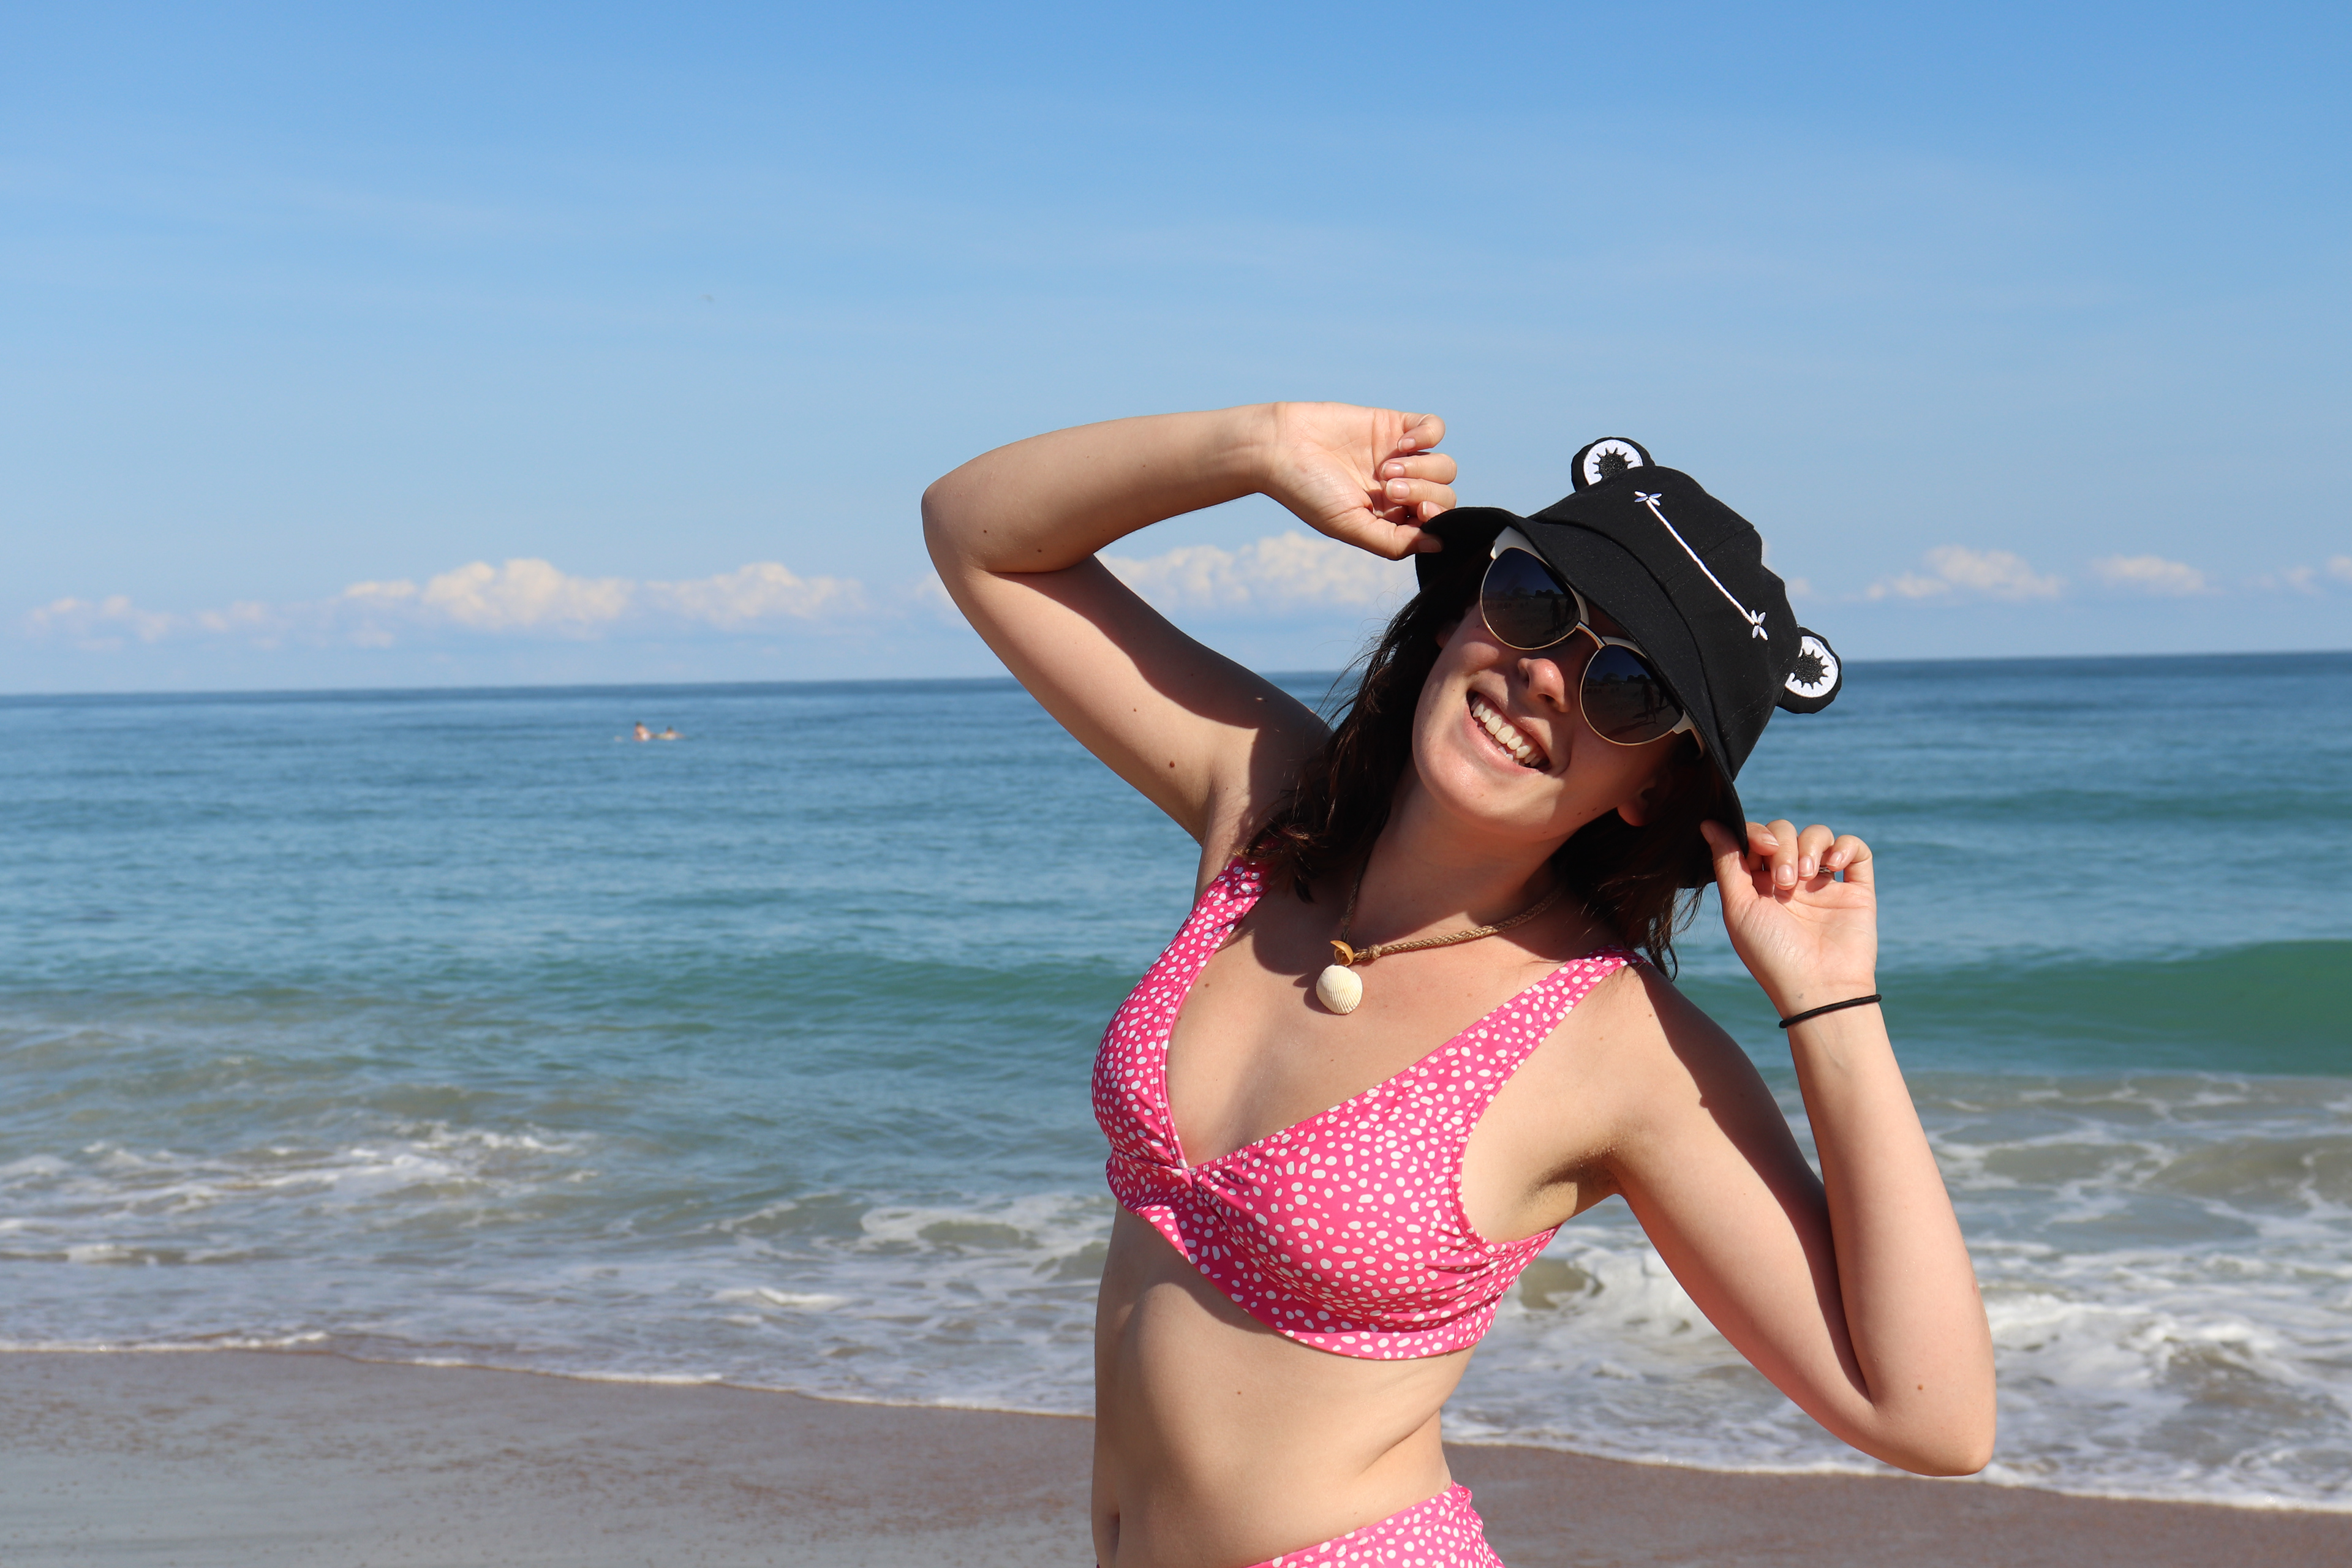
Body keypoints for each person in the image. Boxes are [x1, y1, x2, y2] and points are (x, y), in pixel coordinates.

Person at [922, 404, 1993, 1568]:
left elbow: (1932, 1418)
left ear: (1650, 788)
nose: (1546, 678)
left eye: (1628, 689)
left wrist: (1831, 1005)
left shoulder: (1613, 1045)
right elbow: (977, 535)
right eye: (1537, 603)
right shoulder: (1268, 810)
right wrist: (1257, 448)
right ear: (1460, 614)